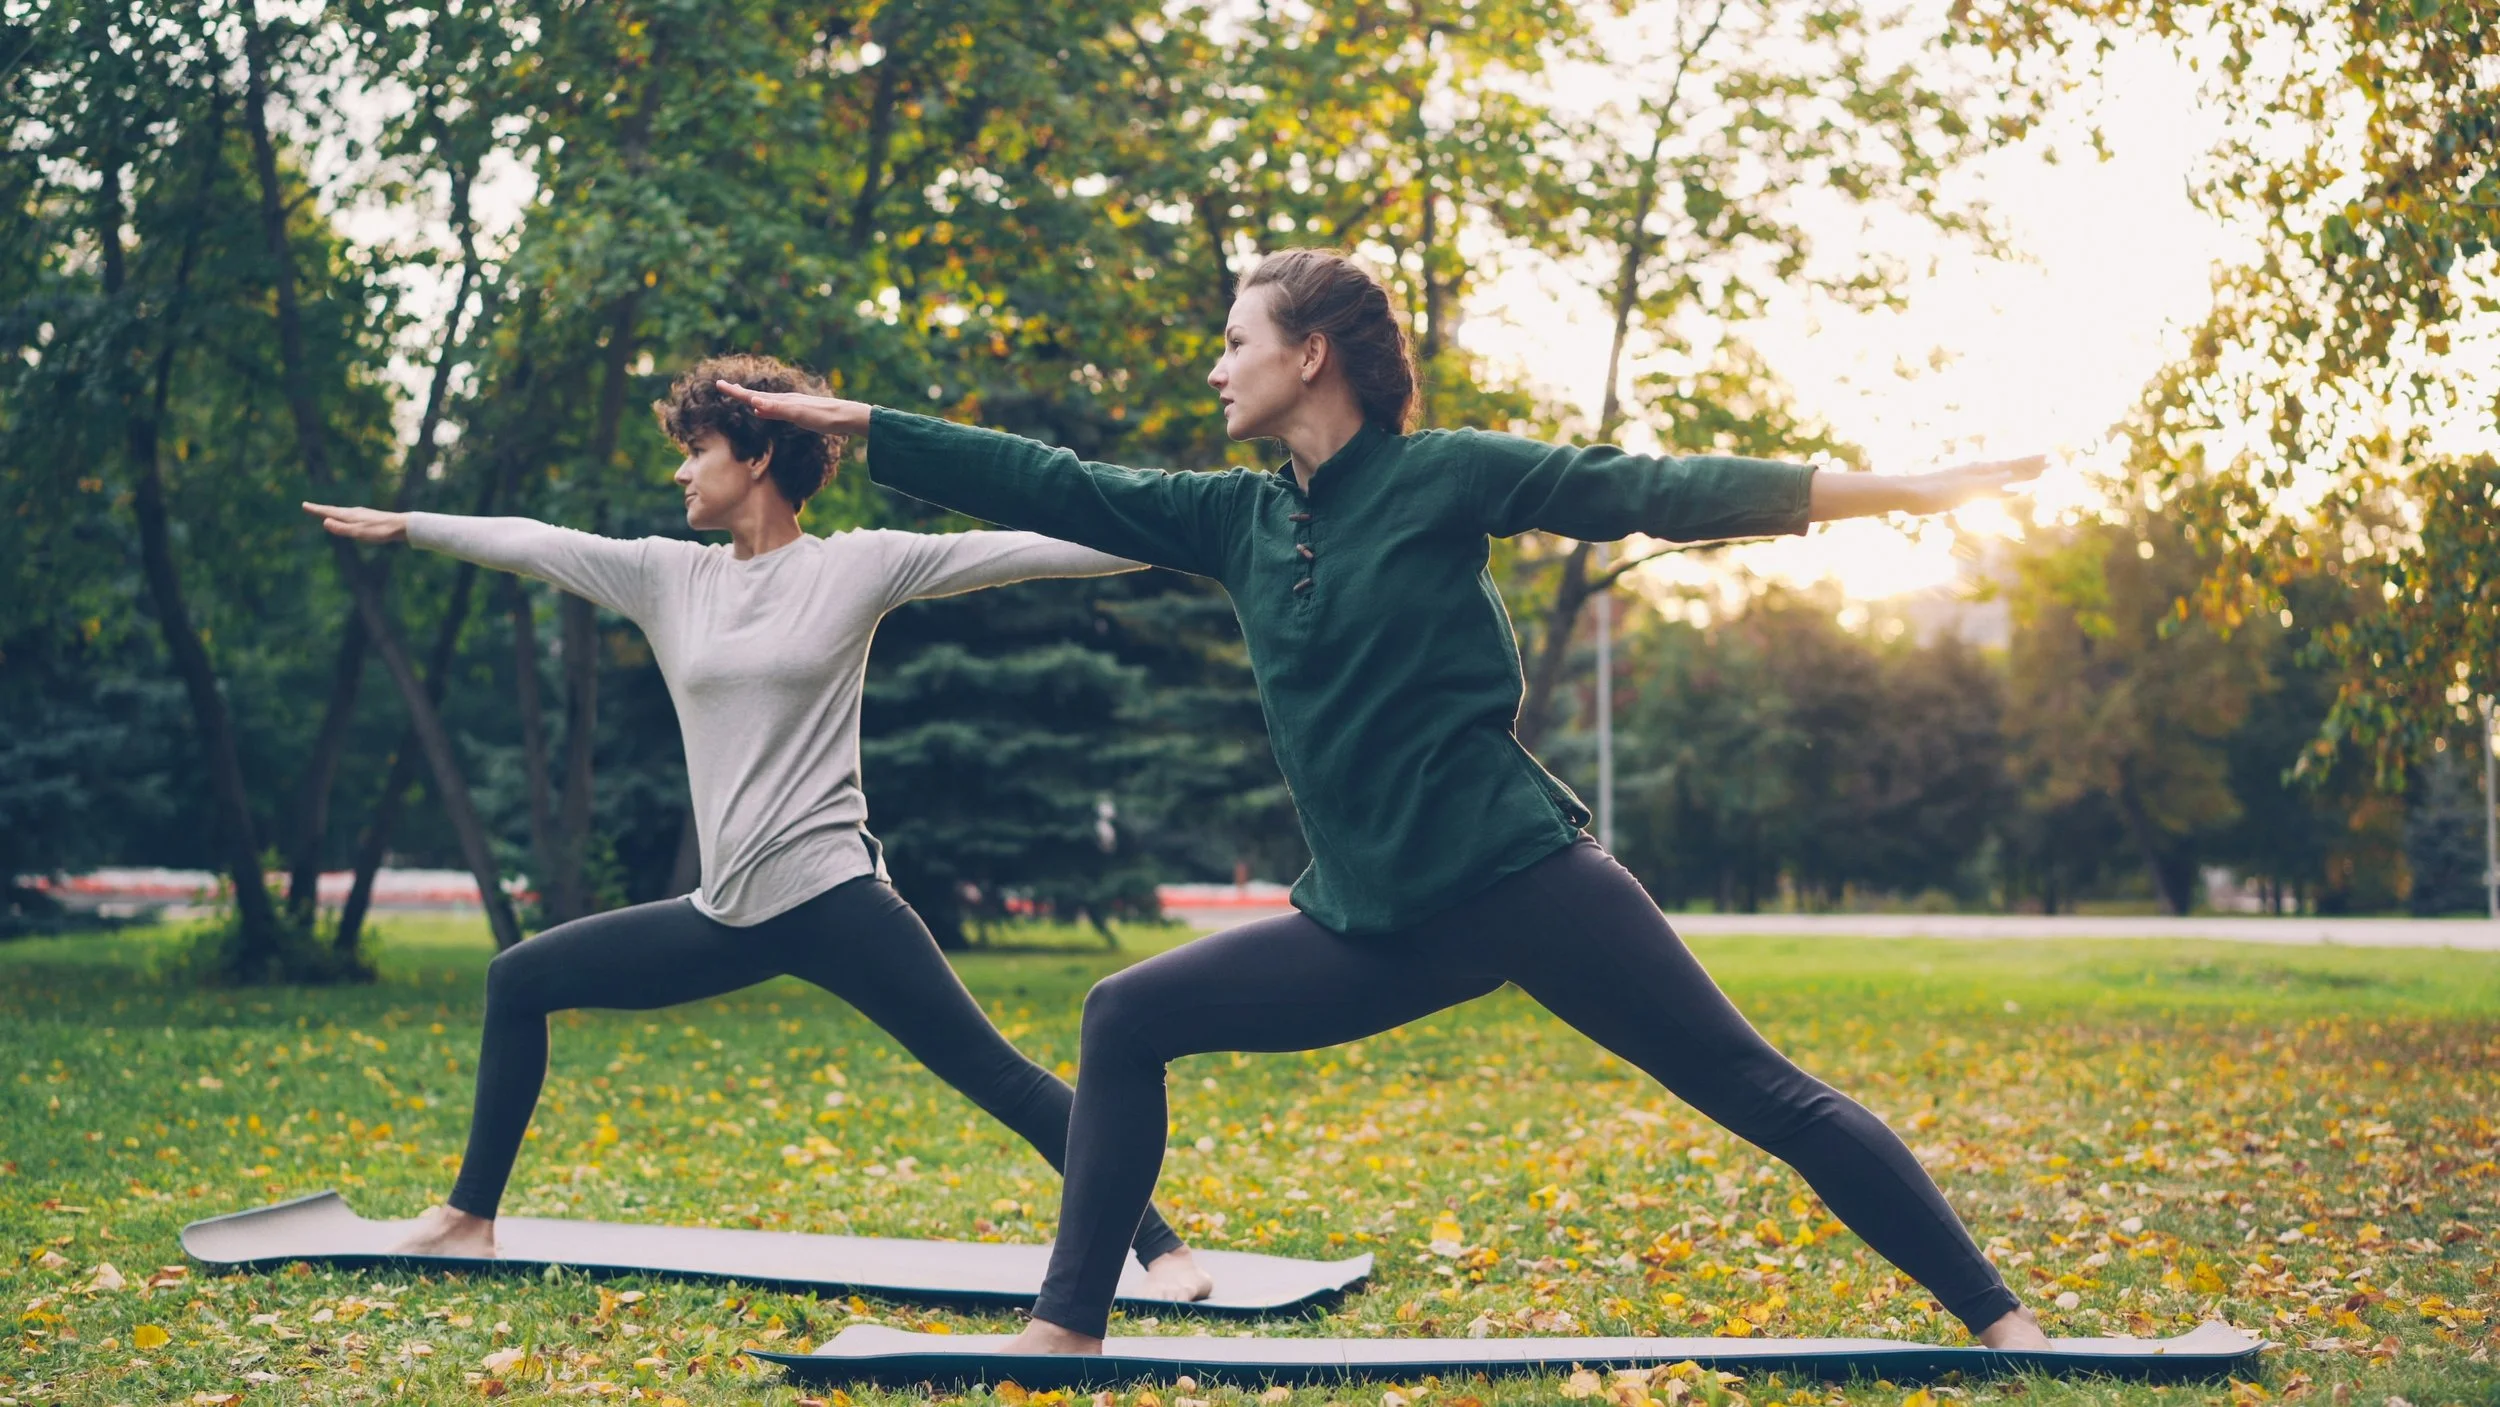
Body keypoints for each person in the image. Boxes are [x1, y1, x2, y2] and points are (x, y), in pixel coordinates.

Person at [718, 249, 2052, 1354]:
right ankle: (1066, 1330)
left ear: (1312, 354)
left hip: (1524, 883)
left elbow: (1649, 489)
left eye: (1235, 338)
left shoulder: (1441, 478)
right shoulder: (1237, 521)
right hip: (1369, 918)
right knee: (1127, 1011)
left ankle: (2004, 1317)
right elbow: (1062, 483)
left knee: (1766, 1093)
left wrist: (1901, 491)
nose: (1215, 361)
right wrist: (868, 428)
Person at [302, 352, 1212, 1301]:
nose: (681, 470)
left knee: (1003, 1080)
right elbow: (535, 542)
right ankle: (467, 1217)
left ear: (758, 455)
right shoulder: (668, 579)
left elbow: (1022, 549)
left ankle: (1159, 1244)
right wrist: (412, 525)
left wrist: (1196, 533)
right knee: (518, 979)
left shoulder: (854, 566)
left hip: (835, 901)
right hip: (724, 910)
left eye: (696, 449)